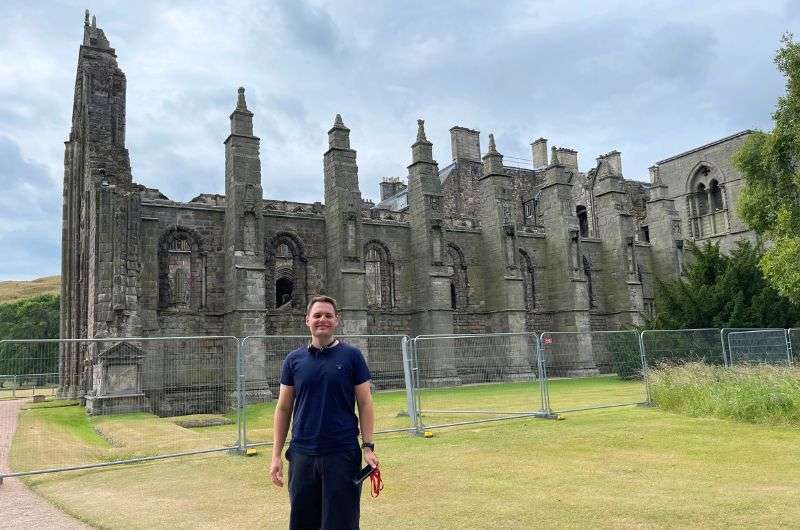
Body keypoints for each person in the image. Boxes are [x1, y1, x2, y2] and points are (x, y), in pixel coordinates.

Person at [270, 295, 379, 530]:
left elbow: (366, 403)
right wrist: (276, 455)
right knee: (303, 521)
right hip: (302, 455)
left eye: (328, 315)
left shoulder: (352, 357)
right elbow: (283, 408)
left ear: (336, 320)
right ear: (307, 320)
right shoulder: (293, 360)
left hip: (341, 453)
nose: (323, 320)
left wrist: (368, 446)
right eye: (317, 315)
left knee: (341, 522)